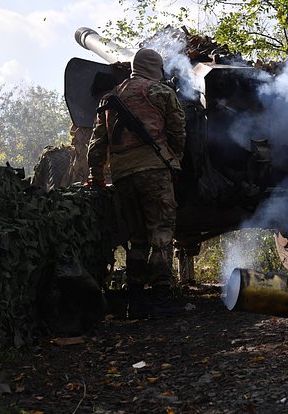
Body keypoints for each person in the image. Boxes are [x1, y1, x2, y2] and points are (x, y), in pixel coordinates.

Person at [87, 48, 186, 319]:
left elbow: (97, 144)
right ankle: (162, 297)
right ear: (157, 68)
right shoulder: (160, 92)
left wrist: (96, 174)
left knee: (137, 237)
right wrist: (174, 159)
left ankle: (136, 299)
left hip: (122, 176)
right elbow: (178, 130)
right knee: (161, 232)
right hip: (153, 170)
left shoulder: (111, 97)